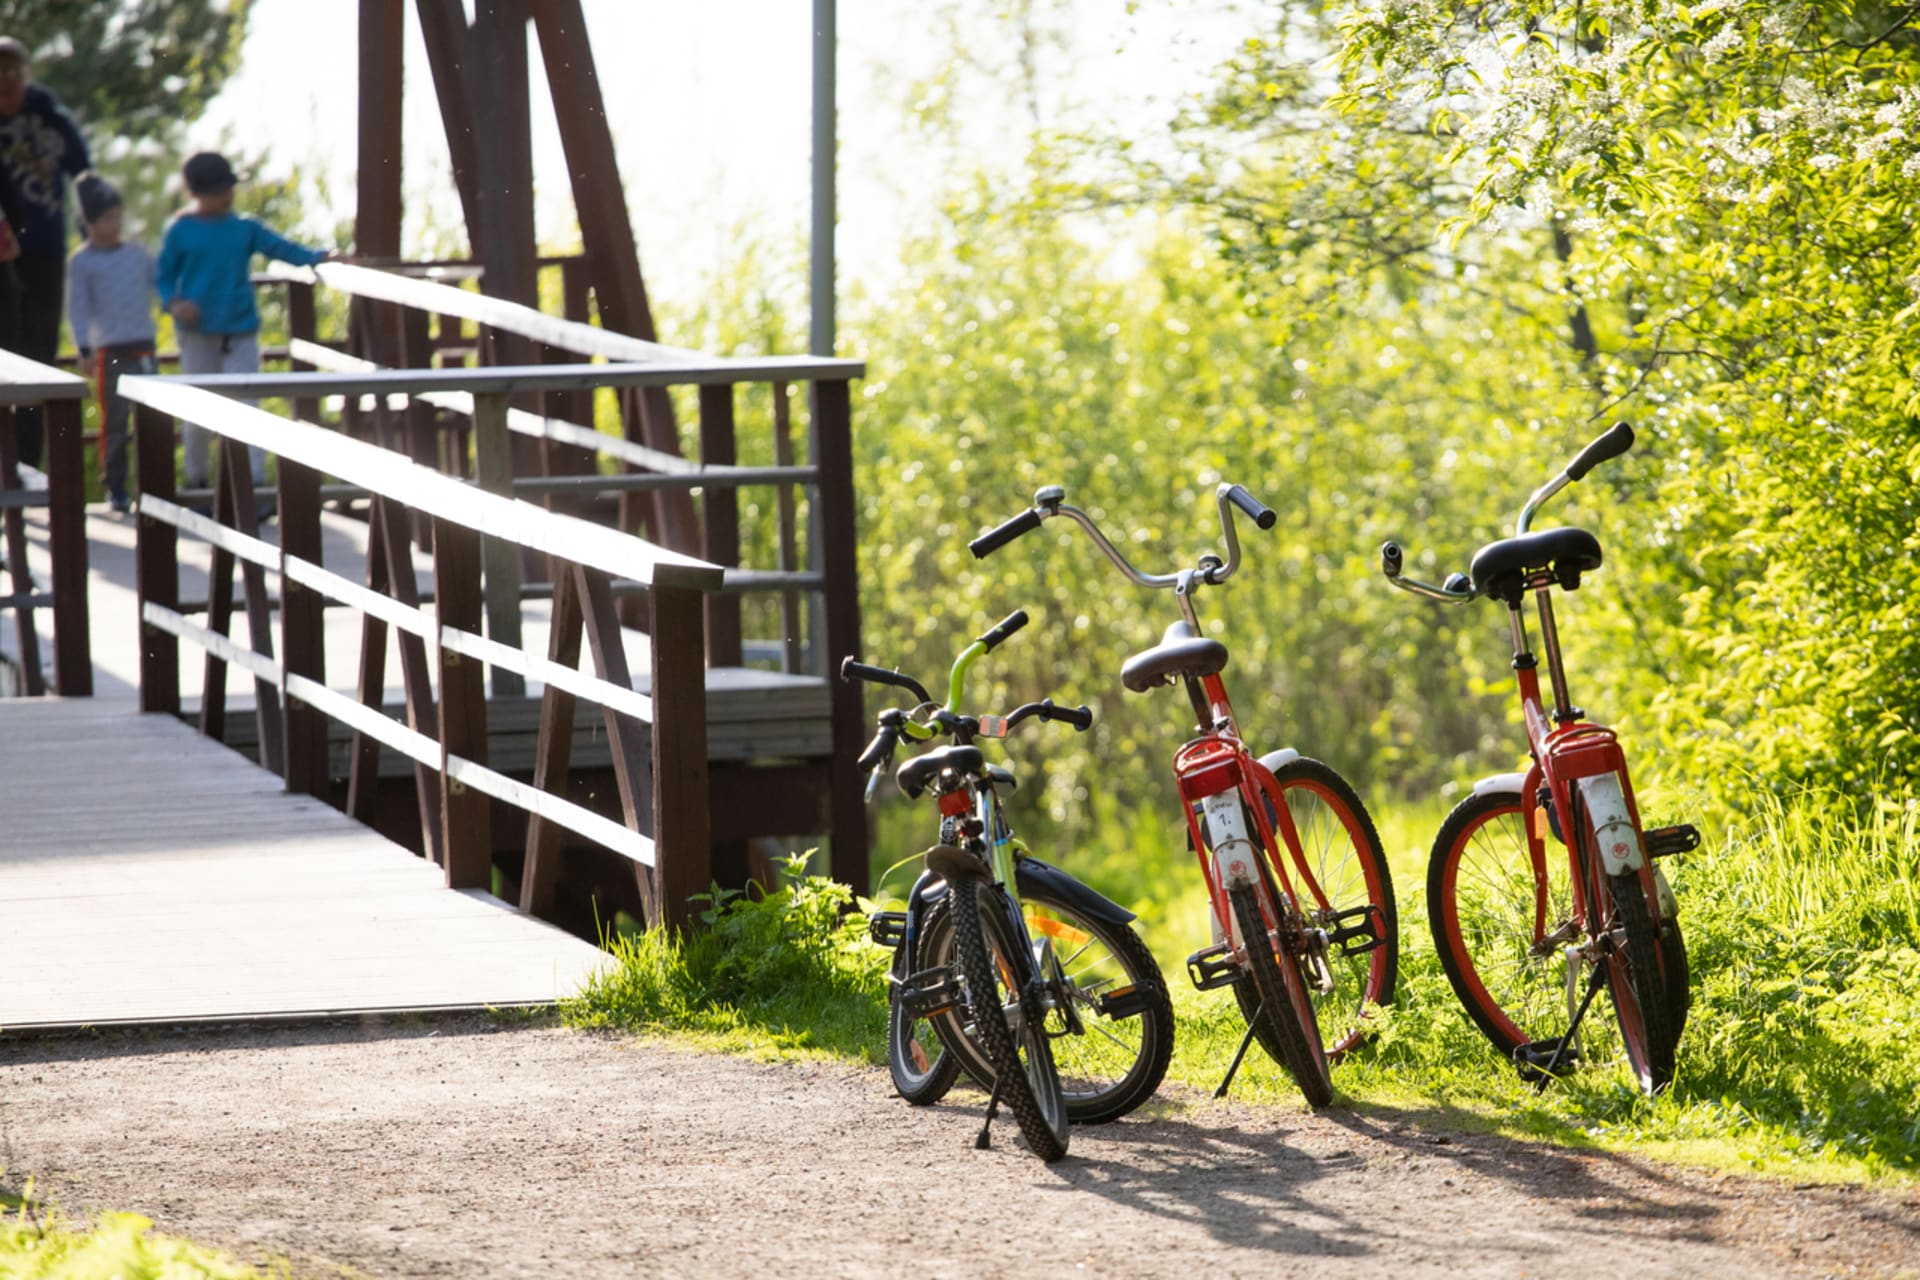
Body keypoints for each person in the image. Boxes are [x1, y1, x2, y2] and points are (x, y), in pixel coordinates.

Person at [156, 151, 331, 496]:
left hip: (239, 330)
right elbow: (163, 276)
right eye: (218, 190)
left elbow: (282, 249)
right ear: (195, 193)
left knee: (249, 405)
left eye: (228, 188)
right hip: (197, 333)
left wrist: (318, 258)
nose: (226, 196)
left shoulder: (245, 228)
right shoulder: (181, 231)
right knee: (197, 408)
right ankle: (197, 482)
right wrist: (175, 304)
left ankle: (255, 484)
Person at [0, 35, 90, 470]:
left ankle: (29, 467)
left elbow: (83, 172)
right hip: (2, 259)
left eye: (13, 71)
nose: (7, 80)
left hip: (44, 252)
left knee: (38, 358)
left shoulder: (52, 118)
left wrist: (94, 227)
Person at [68, 173, 154, 514]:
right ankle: (116, 484)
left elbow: (160, 281)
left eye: (118, 216)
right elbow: (78, 308)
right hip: (111, 348)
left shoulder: (136, 254)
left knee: (151, 419)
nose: (116, 224)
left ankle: (152, 484)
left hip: (144, 343)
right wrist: (84, 348)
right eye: (108, 218)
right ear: (90, 222)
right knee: (115, 421)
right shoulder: (82, 261)